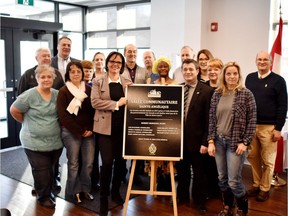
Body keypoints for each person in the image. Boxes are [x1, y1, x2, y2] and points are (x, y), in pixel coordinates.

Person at [10, 65, 63, 208]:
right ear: (37, 78)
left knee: (50, 169)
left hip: (55, 141)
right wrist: (27, 123)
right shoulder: (28, 95)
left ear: (53, 78)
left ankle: (48, 191)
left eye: (49, 77)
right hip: (33, 141)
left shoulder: (57, 94)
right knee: (41, 170)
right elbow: (14, 110)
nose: (46, 79)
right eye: (43, 77)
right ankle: (43, 197)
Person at [207, 61, 257, 216]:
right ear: (224, 75)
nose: (232, 76)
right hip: (219, 142)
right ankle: (227, 206)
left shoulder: (246, 94)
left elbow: (252, 120)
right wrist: (210, 141)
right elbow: (212, 120)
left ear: (239, 75)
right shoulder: (217, 94)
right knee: (222, 178)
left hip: (236, 143)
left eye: (235, 73)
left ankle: (242, 208)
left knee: (233, 181)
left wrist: (245, 142)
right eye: (228, 73)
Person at [17, 47, 64, 195]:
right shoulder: (28, 78)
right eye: (43, 56)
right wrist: (27, 122)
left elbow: (63, 101)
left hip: (54, 138)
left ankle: (48, 184)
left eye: (49, 56)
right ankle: (42, 192)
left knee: (50, 167)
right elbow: (17, 107)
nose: (46, 58)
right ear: (36, 58)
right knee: (41, 167)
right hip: (34, 138)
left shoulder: (56, 78)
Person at [91, 51, 132, 216]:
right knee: (107, 163)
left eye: (119, 62)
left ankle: (115, 192)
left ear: (122, 65)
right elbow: (95, 102)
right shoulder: (98, 81)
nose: (115, 64)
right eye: (112, 61)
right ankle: (103, 198)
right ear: (107, 63)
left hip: (122, 129)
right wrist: (116, 104)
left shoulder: (128, 82)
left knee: (121, 164)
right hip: (104, 130)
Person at [245, 51, 287, 202]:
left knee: (268, 160)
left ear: (270, 62)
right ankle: (256, 184)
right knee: (252, 156)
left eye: (265, 59)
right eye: (259, 59)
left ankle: (264, 188)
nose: (262, 62)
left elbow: (283, 106)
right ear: (256, 61)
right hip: (251, 126)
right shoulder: (249, 78)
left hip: (269, 127)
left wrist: (278, 128)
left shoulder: (279, 81)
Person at [176, 59, 214, 214]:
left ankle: (200, 201)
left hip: (198, 142)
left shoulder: (206, 91)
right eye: (185, 69)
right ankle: (182, 197)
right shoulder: (177, 89)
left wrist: (206, 141)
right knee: (182, 171)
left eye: (191, 69)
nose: (188, 72)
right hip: (180, 141)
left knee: (199, 174)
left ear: (197, 71)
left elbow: (209, 120)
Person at [57, 61, 95, 204]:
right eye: (72, 71)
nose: (76, 74)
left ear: (82, 73)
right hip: (70, 132)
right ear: (68, 74)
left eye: (78, 71)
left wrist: (90, 129)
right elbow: (64, 117)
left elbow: (93, 112)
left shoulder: (89, 90)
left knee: (89, 163)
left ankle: (85, 190)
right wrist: (81, 131)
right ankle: (72, 192)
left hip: (88, 133)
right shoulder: (63, 91)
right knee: (73, 164)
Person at [91, 51, 106, 191]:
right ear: (93, 61)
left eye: (102, 59)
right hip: (93, 121)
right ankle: (94, 180)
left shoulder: (110, 77)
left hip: (107, 121)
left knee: (106, 156)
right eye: (97, 59)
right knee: (93, 154)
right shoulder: (89, 77)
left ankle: (105, 179)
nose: (99, 61)